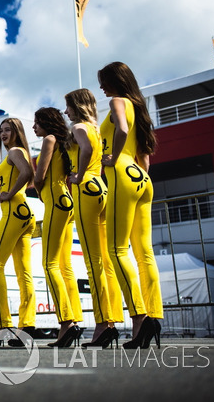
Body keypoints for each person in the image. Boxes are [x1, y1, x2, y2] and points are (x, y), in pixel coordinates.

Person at [99, 61, 163, 349]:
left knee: (116, 249)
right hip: (141, 177)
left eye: (103, 81)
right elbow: (145, 155)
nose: (101, 87)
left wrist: (112, 157)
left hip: (123, 173)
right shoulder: (139, 105)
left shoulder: (117, 101)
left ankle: (139, 319)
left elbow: (121, 130)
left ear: (115, 80)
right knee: (144, 253)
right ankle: (154, 315)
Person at [65, 89, 121, 346]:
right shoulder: (95, 127)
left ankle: (101, 324)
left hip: (85, 187)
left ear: (76, 106)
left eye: (68, 107)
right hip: (101, 186)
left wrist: (78, 174)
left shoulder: (78, 127)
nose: (66, 112)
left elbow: (84, 149)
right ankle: (111, 320)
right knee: (106, 261)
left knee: (92, 261)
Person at [32, 107, 84, 347]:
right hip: (67, 199)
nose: (34, 127)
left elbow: (40, 175)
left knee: (49, 264)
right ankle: (74, 319)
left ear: (46, 123)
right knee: (65, 267)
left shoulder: (49, 140)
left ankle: (66, 323)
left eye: (37, 123)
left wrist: (39, 188)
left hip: (54, 198)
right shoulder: (66, 140)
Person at [0, 118, 36, 345]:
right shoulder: (19, 151)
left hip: (14, 211)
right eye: (1, 130)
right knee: (23, 272)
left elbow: (27, 173)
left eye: (8, 129)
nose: (3, 133)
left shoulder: (15, 151)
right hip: (24, 213)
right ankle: (26, 325)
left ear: (17, 132)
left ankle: (2, 323)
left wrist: (8, 192)